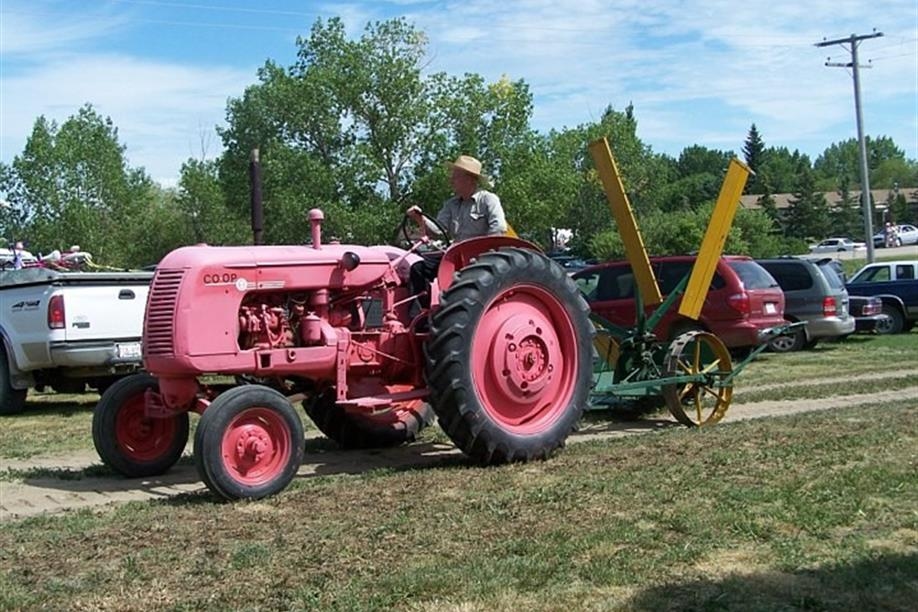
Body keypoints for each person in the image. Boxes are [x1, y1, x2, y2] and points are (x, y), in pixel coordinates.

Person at [407, 154, 507, 308]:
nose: (451, 180)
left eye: (456, 176)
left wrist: (484, 254)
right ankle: (425, 314)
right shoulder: (451, 204)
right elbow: (438, 231)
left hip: (480, 257)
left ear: (469, 179)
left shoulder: (488, 200)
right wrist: (420, 218)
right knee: (418, 269)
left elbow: (499, 228)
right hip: (455, 255)